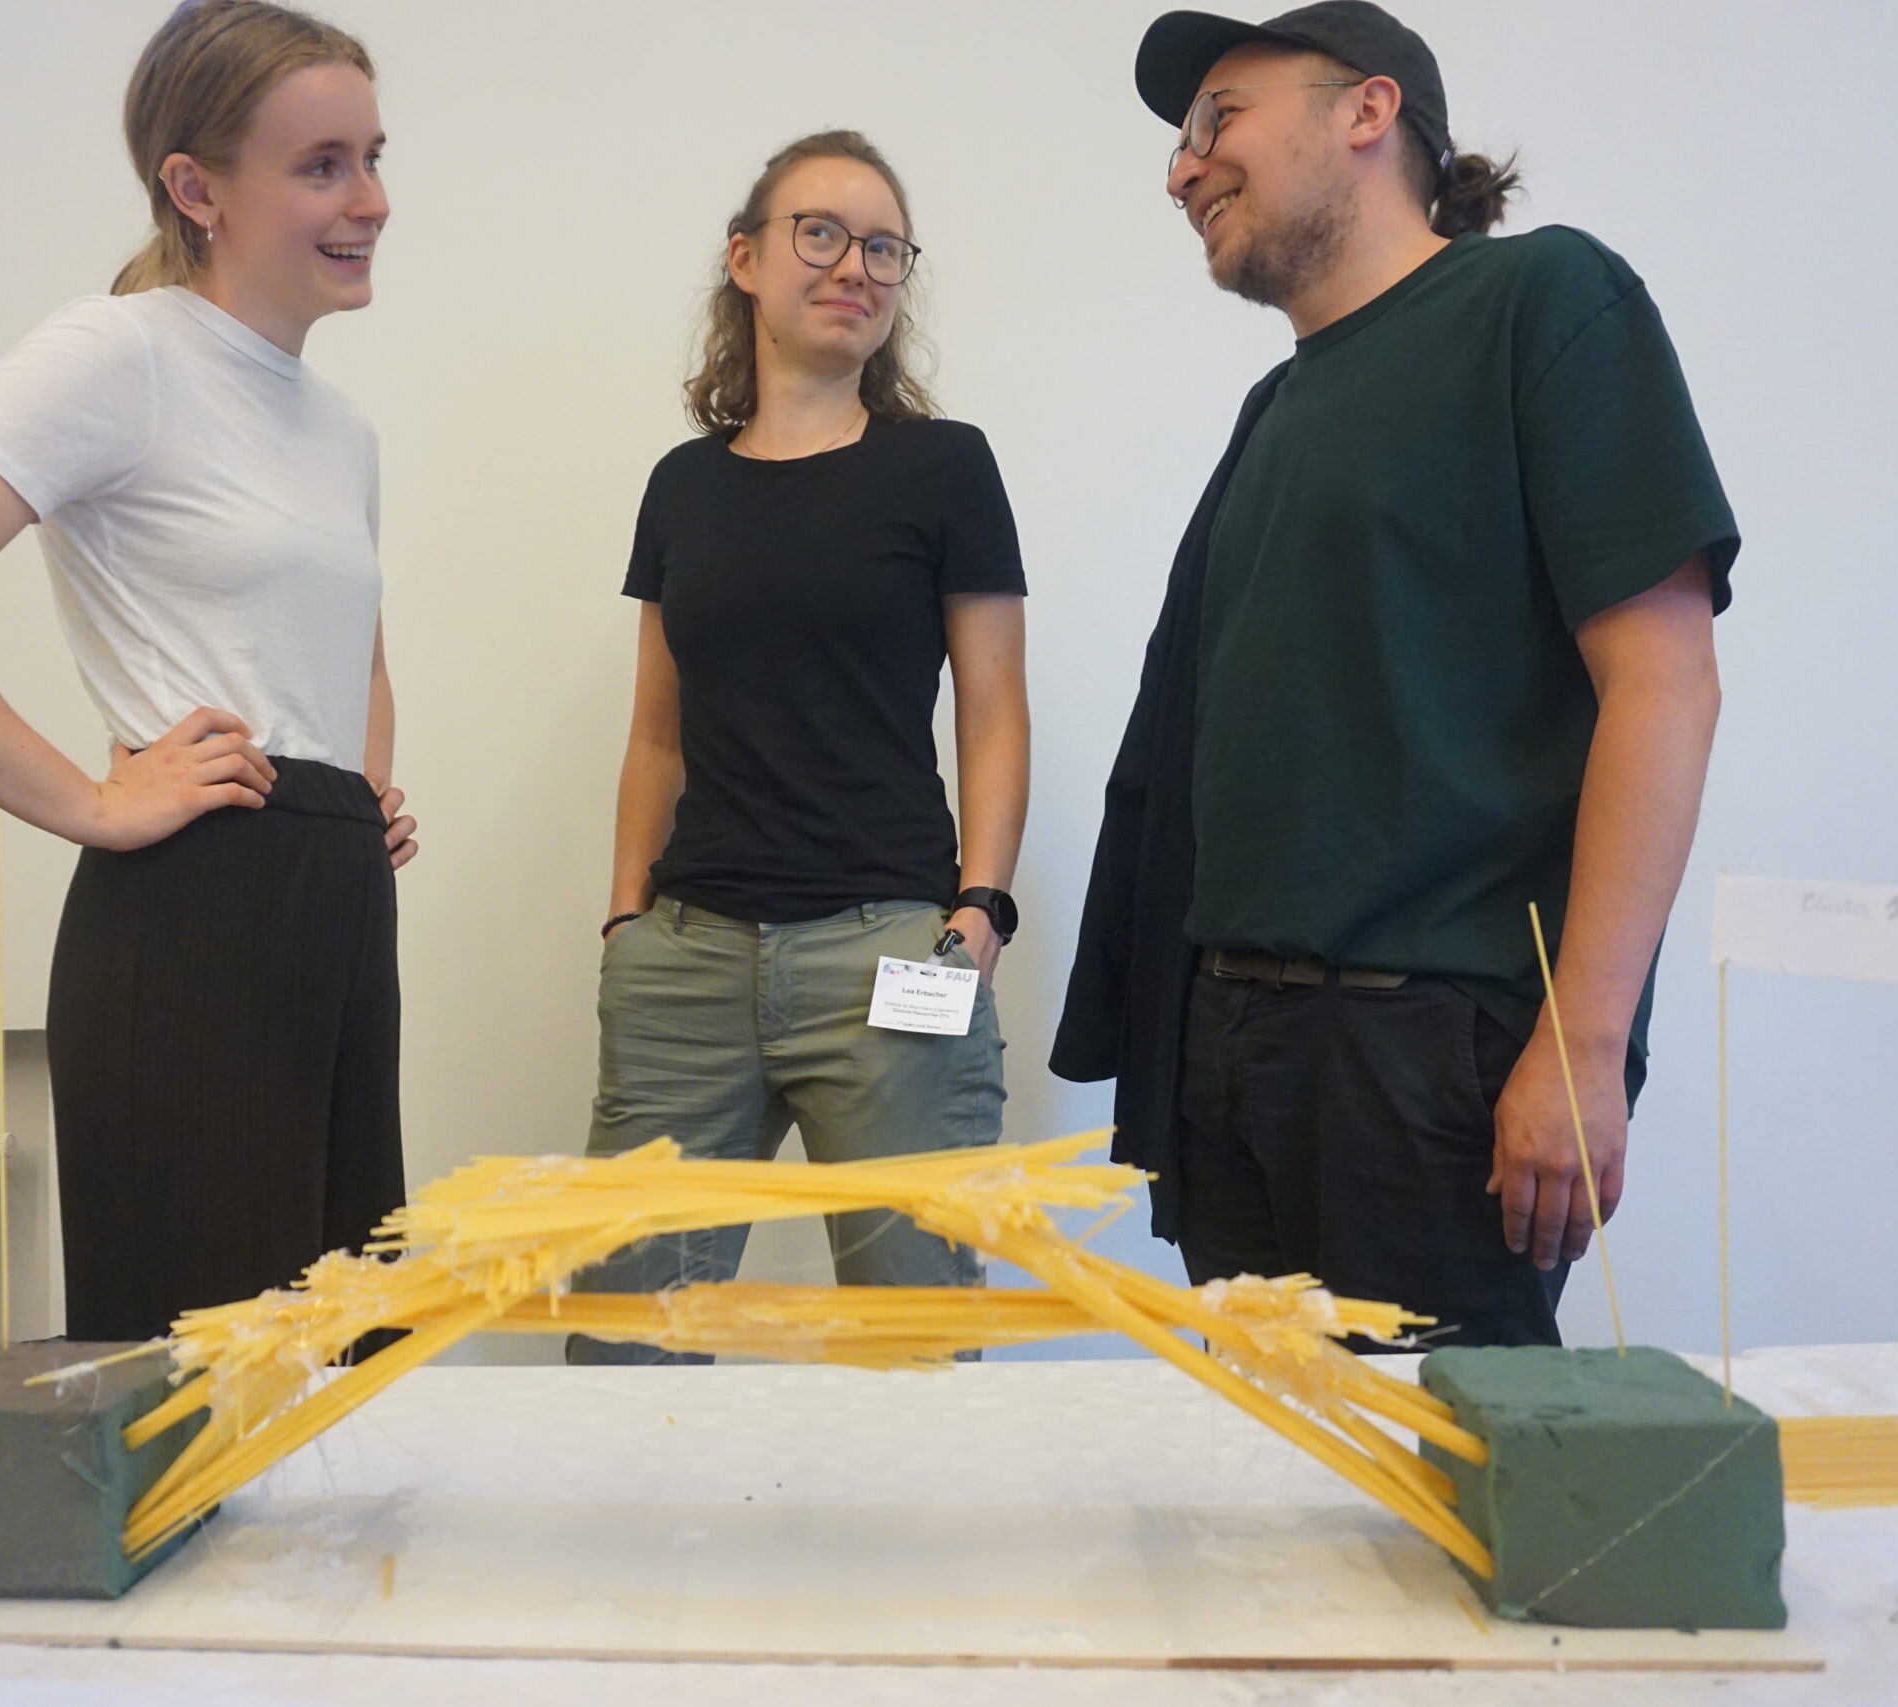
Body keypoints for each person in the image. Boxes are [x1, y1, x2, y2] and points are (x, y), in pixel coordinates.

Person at [1052, 3, 1735, 1348]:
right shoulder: (1277, 408)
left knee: (1433, 1509)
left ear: (1367, 111)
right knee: (1278, 1507)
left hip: (1428, 1055)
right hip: (1231, 1041)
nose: (1181, 171)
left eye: (1216, 121)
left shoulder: (1540, 301)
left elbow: (1665, 685)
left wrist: (1584, 1046)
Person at [0, 0, 415, 1340]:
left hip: (333, 901)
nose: (371, 199)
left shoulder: (339, 425)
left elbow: (358, 649)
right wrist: (89, 797)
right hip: (196, 909)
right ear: (196, 188)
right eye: (321, 165)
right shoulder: (121, 353)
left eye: (372, 155)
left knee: (344, 1351)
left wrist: (359, 792)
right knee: (203, 1382)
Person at [566, 131, 1032, 1365]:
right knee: (622, 1348)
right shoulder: (683, 486)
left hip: (891, 950)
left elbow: (994, 710)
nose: (855, 268)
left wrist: (980, 906)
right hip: (687, 962)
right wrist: (624, 926)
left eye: (884, 247)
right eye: (819, 234)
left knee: (913, 1349)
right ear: (747, 261)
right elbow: (655, 733)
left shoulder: (944, 468)